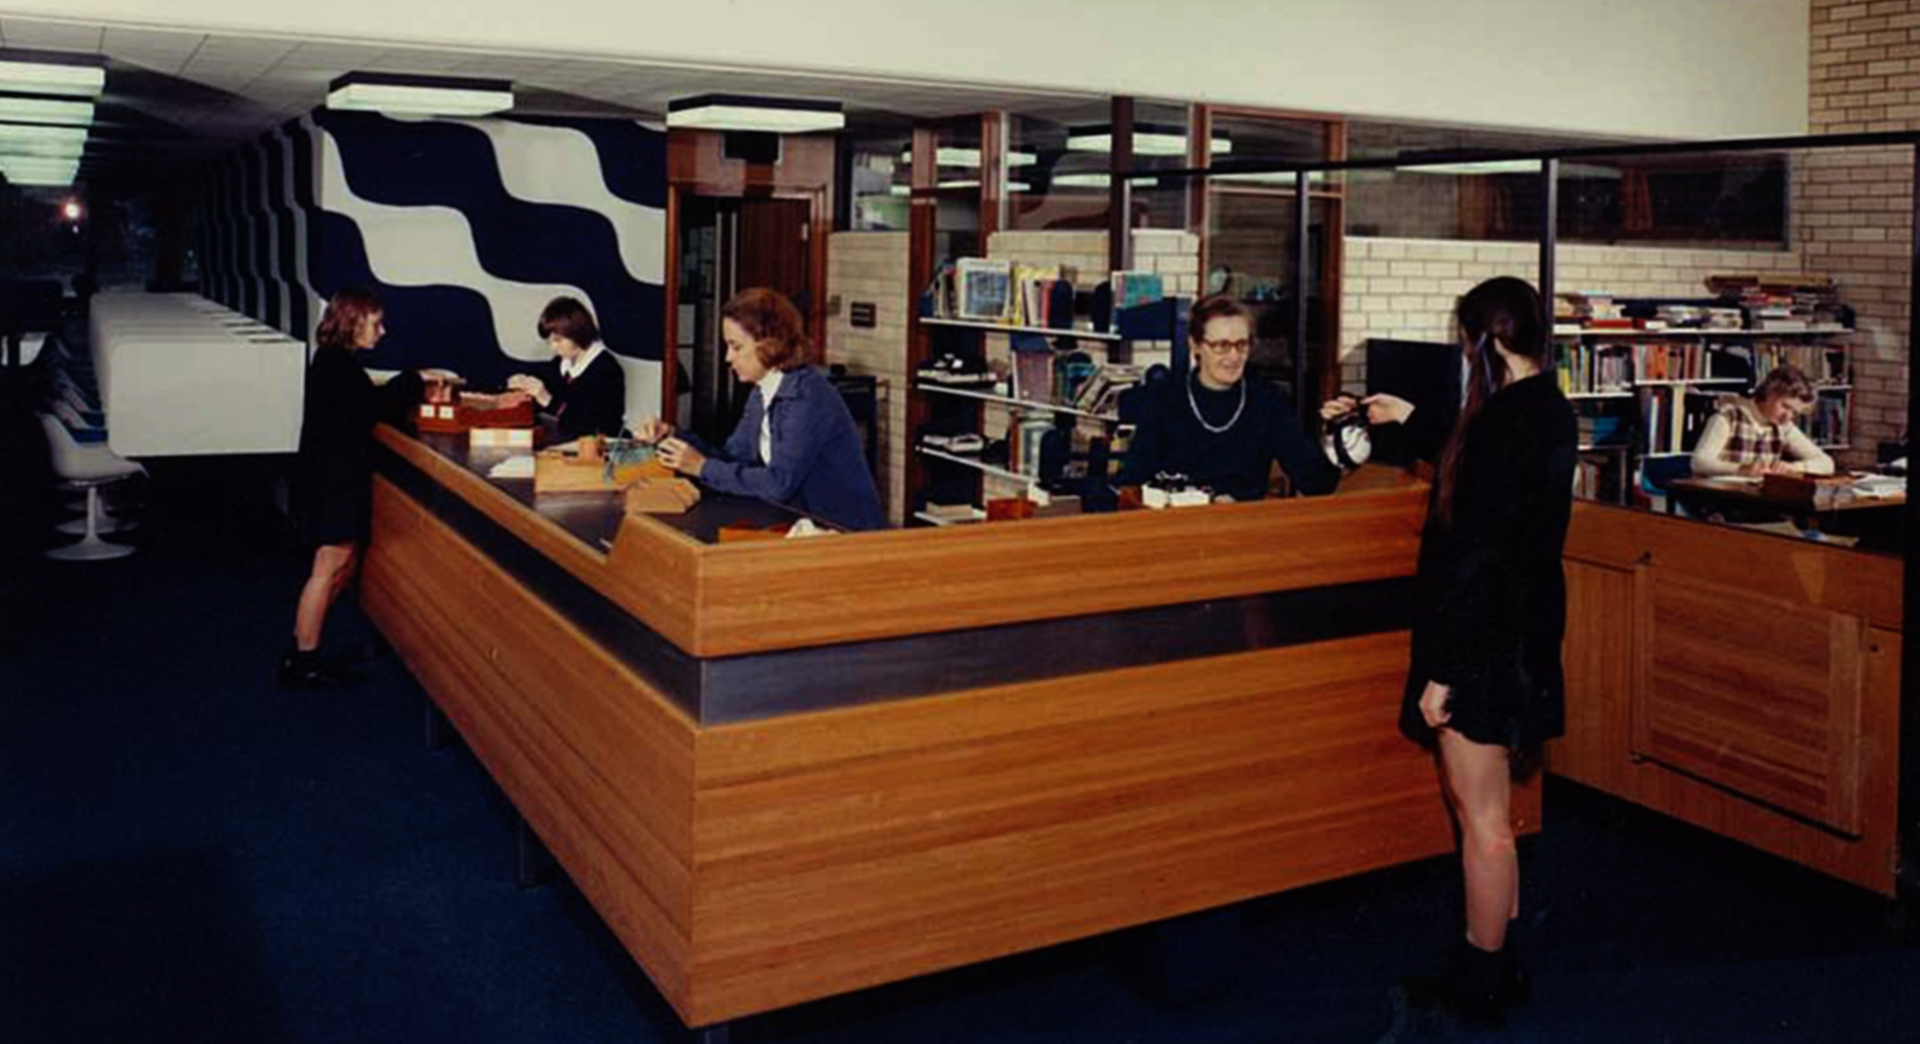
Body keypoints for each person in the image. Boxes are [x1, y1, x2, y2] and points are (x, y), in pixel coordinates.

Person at [1397, 276, 1576, 1028]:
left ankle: (1479, 977)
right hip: (1526, 636)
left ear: (1488, 341)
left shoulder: (1502, 427)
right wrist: (1414, 419)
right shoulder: (1549, 409)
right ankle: (1503, 957)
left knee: (1481, 819)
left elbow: (1476, 560)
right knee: (1498, 816)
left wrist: (1443, 673)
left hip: (1479, 647)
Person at [639, 288, 884, 532]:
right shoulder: (763, 389)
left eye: (736, 347)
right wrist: (673, 436)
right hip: (799, 526)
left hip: (842, 534)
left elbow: (779, 483)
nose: (727, 358)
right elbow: (734, 458)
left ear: (769, 344)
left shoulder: (807, 397)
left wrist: (701, 467)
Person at [281, 286, 425, 689]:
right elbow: (370, 410)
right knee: (328, 567)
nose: (382, 331)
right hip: (332, 482)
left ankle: (305, 647)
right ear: (353, 322)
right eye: (375, 323)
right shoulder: (337, 366)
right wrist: (415, 379)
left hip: (331, 478)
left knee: (340, 565)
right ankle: (303, 659)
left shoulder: (335, 361)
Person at [1114, 294, 1340, 501]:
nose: (1234, 356)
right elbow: (1134, 479)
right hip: (1177, 528)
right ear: (1196, 345)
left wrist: (1336, 440)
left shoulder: (1266, 400)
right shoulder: (1165, 398)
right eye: (1222, 345)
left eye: (1241, 345)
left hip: (1243, 529)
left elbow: (1316, 484)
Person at [504, 296, 628, 441]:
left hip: (600, 451)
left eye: (558, 340)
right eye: (549, 342)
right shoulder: (561, 363)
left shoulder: (607, 370)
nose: (553, 347)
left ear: (577, 333)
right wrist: (521, 386)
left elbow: (593, 425)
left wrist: (547, 400)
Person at [1689, 365, 1835, 478]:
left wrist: (1793, 468)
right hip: (1718, 497)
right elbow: (1699, 463)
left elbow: (1827, 464)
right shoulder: (1728, 417)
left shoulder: (1783, 427)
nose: (1788, 416)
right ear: (1769, 392)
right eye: (1785, 406)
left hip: (1756, 500)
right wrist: (1740, 469)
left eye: (1795, 413)